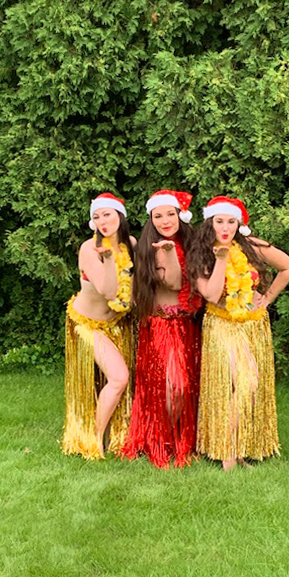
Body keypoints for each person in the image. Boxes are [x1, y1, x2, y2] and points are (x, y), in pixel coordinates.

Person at [190, 196, 289, 471]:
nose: (225, 228)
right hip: (222, 324)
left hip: (253, 324)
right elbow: (212, 295)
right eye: (219, 221)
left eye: (231, 221)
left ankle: (237, 450)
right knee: (244, 382)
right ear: (210, 223)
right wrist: (222, 260)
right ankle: (228, 451)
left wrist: (268, 297)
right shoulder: (201, 254)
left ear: (239, 224)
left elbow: (288, 266)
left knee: (246, 386)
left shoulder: (252, 247)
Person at [121, 190, 203, 468]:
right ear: (151, 219)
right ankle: (160, 441)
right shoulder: (149, 248)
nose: (165, 221)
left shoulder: (191, 244)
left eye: (171, 214)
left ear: (181, 216)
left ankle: (179, 439)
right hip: (160, 327)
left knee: (186, 387)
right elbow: (174, 285)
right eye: (158, 216)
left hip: (186, 326)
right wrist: (167, 254)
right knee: (171, 387)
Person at [62, 192, 136, 460]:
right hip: (86, 325)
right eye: (97, 216)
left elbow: (132, 289)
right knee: (119, 378)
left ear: (119, 216)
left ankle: (118, 435)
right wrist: (106, 260)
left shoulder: (130, 244)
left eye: (107, 214)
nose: (103, 220)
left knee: (117, 380)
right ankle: (93, 440)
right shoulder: (88, 249)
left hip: (115, 324)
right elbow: (107, 290)